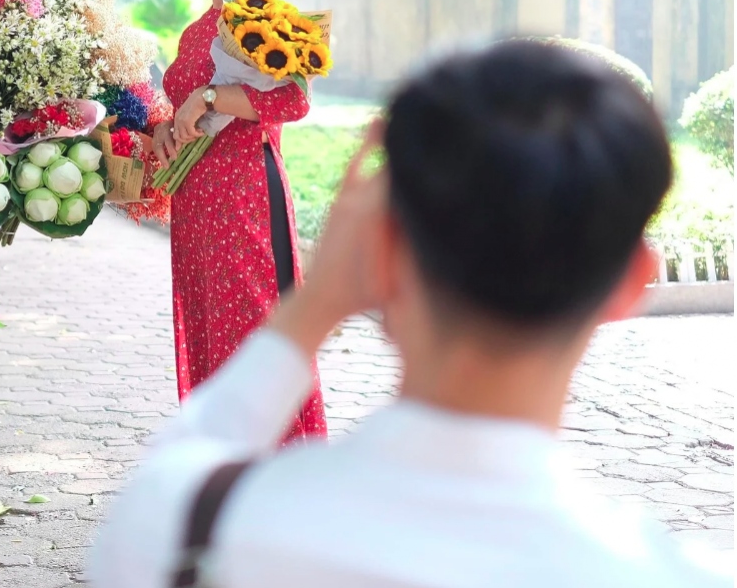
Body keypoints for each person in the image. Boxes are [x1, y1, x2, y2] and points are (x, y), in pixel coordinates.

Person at [90, 41, 731, 587]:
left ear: (381, 253)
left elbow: (185, 457)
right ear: (631, 287)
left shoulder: (192, 526)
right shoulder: (674, 576)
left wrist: (314, 306)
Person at [153, 0, 326, 442]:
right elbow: (181, 109)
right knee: (209, 327)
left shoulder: (272, 17)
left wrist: (206, 99)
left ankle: (276, 474)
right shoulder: (195, 30)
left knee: (254, 330)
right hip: (196, 203)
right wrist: (164, 131)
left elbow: (292, 101)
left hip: (247, 194)